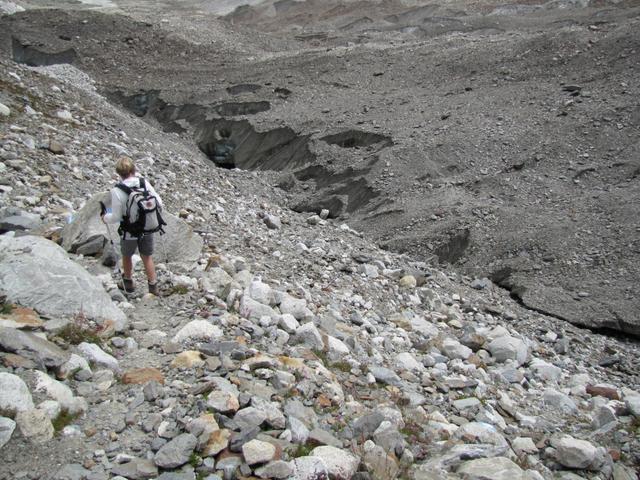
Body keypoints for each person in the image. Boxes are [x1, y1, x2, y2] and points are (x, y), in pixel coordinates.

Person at [101, 156, 163, 295]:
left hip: (129, 230)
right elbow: (158, 202)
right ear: (134, 169)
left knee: (127, 255)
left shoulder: (116, 191)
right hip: (147, 227)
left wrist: (105, 218)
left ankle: (128, 282)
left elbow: (116, 216)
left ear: (119, 173)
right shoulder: (144, 183)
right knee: (147, 256)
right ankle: (153, 286)